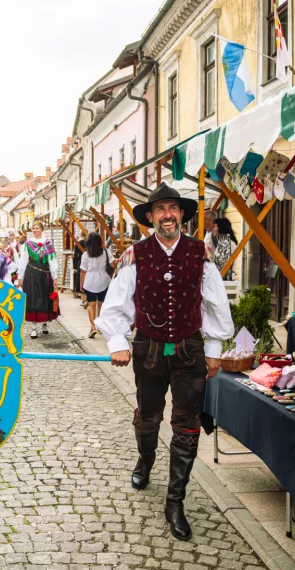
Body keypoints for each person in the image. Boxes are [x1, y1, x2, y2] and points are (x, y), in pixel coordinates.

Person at [96, 182, 233, 541]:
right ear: (151, 217)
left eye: (173, 208)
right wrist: (116, 341)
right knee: (148, 414)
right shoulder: (135, 255)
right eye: (160, 210)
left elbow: (216, 302)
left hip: (189, 350)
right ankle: (146, 459)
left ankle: (176, 501)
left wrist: (215, 349)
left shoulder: (200, 253)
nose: (167, 215)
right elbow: (116, 306)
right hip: (149, 349)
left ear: (182, 215)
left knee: (187, 424)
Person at [16, 221, 59, 339]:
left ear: (41, 229)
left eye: (36, 228)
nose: (34, 230)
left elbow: (52, 260)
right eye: (33, 228)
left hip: (45, 274)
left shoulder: (48, 243)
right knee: (33, 298)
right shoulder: (28, 244)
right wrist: (20, 277)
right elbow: (23, 261)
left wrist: (55, 277)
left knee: (45, 298)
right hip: (31, 273)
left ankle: (45, 323)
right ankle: (34, 328)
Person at [80, 232, 113, 339]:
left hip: (90, 281)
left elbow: (83, 271)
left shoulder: (85, 255)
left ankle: (93, 327)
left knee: (91, 305)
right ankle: (99, 326)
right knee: (101, 304)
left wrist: (82, 284)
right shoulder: (106, 252)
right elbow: (113, 264)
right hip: (104, 280)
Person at [72, 230, 85, 299]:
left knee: (79, 276)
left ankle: (78, 290)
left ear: (80, 234)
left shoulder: (78, 243)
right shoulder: (88, 243)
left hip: (80, 260)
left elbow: (75, 255)